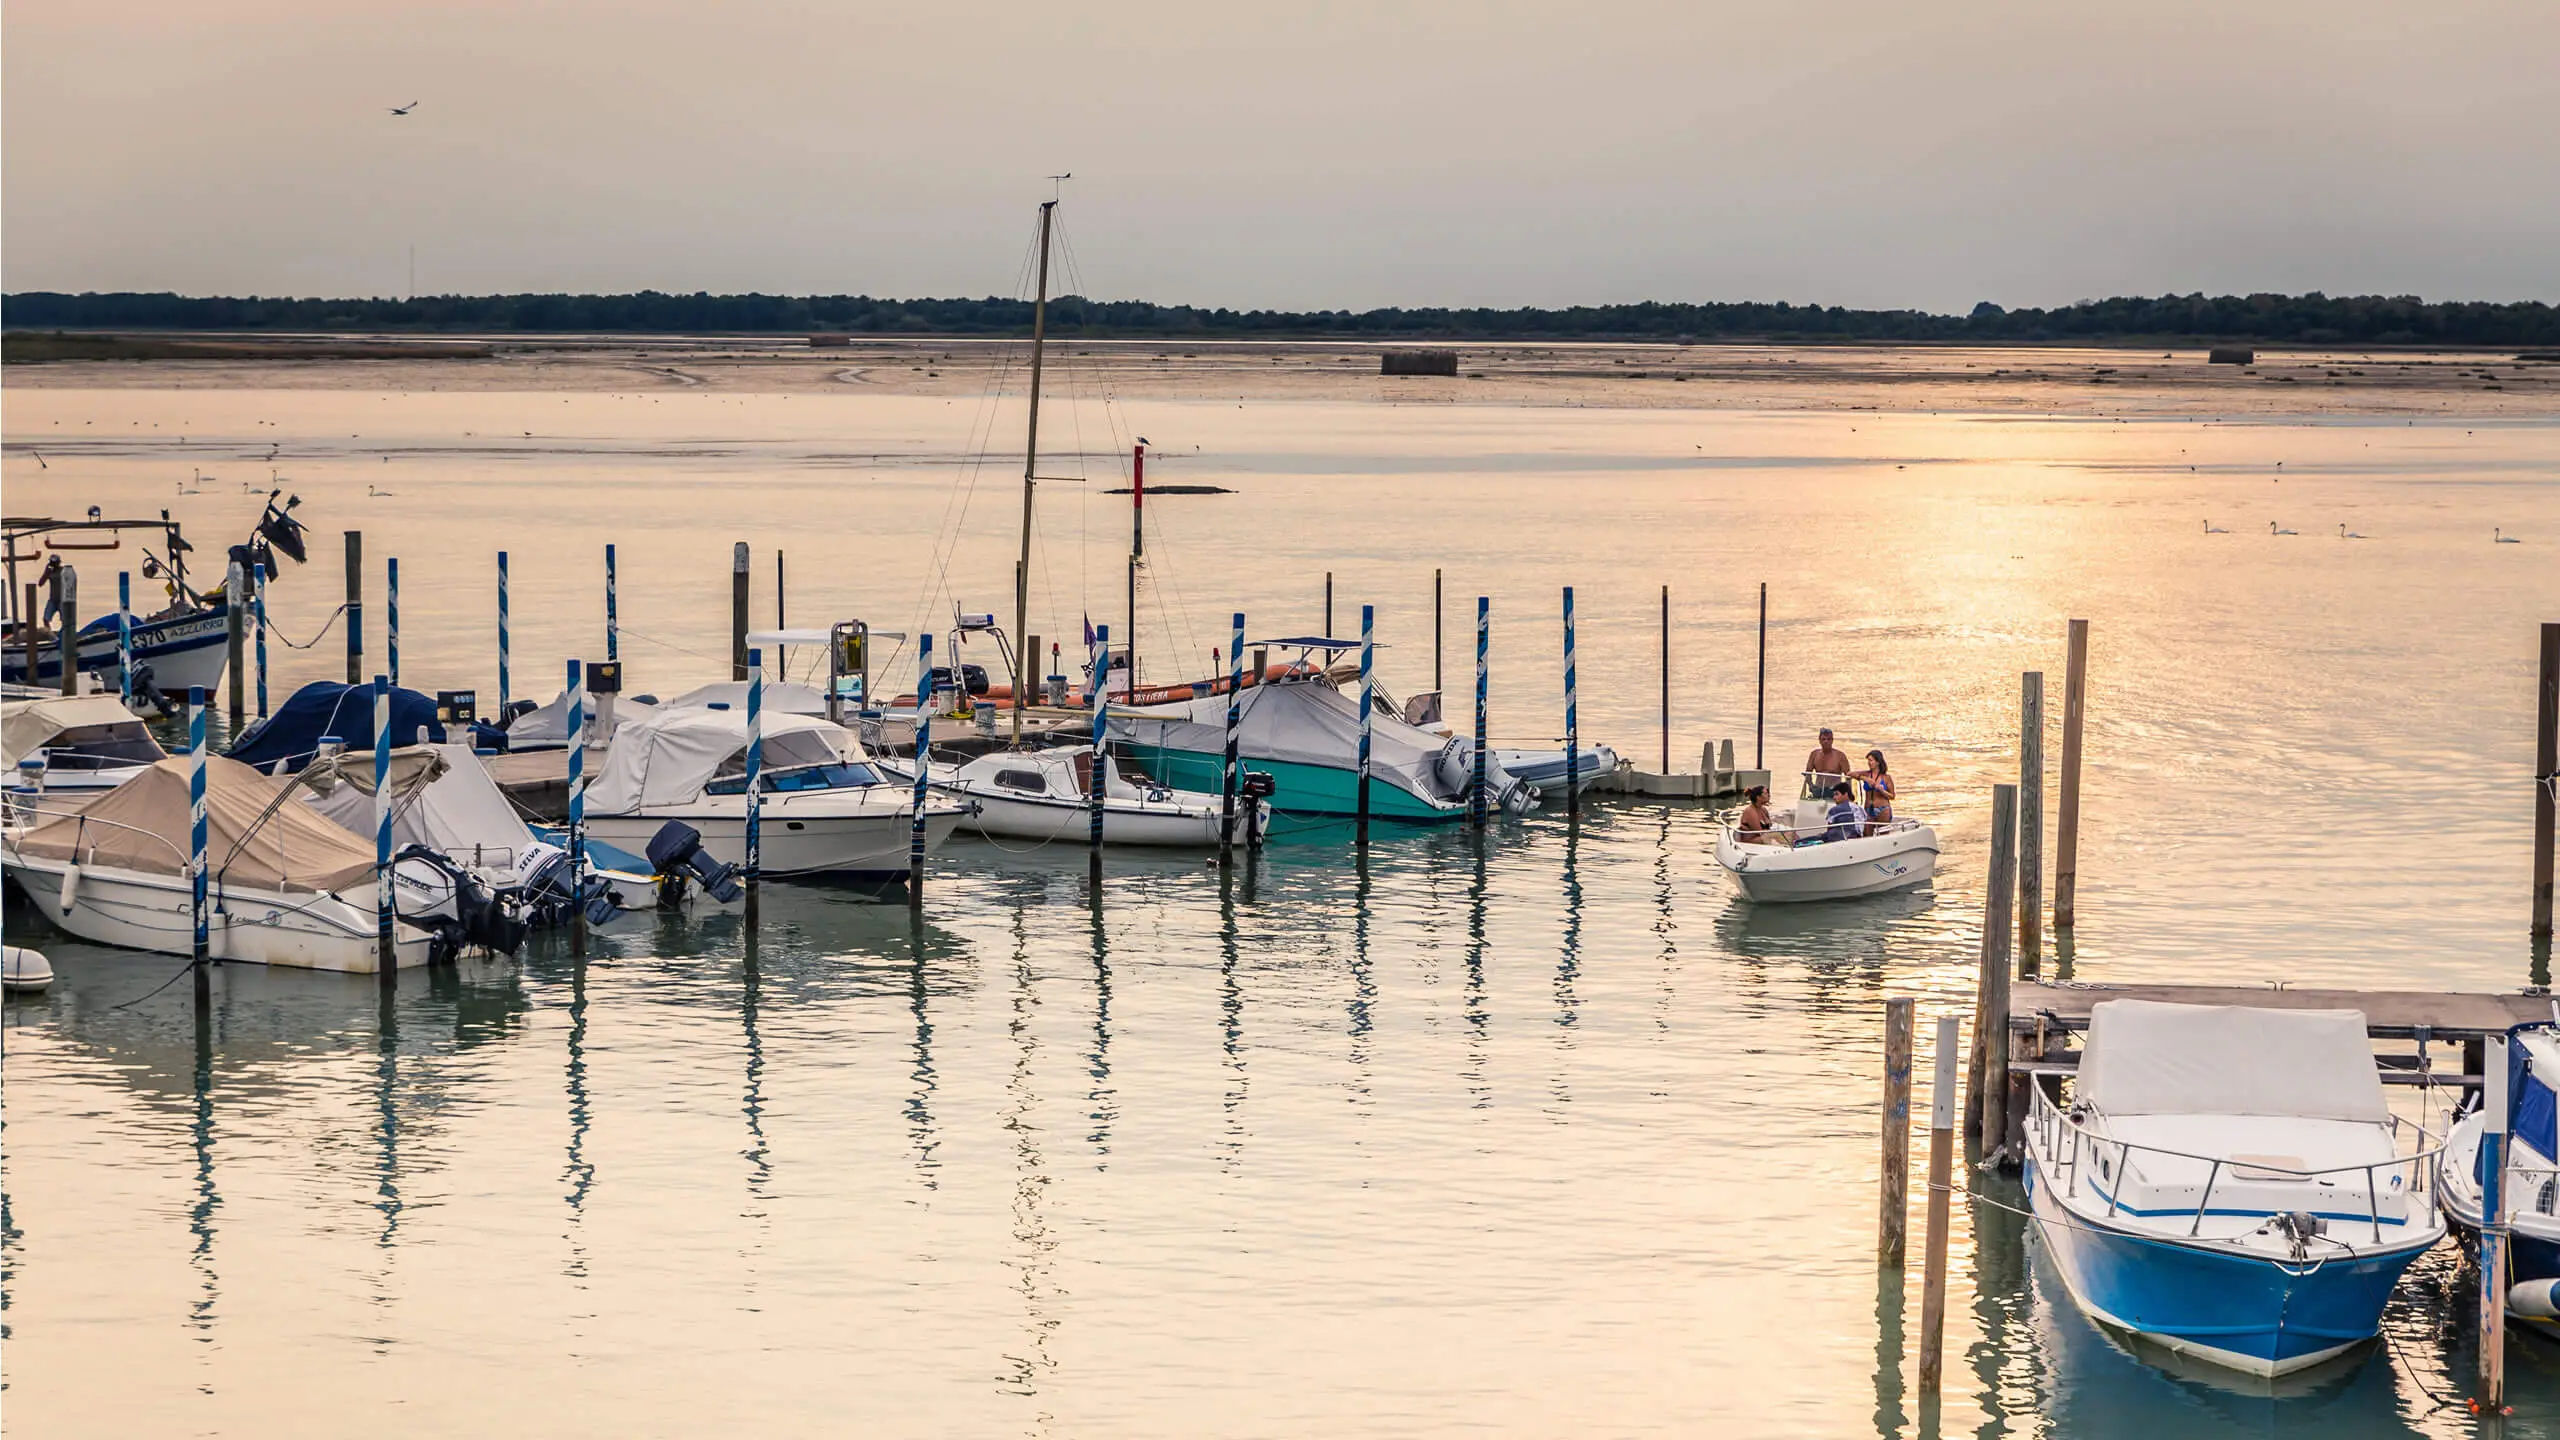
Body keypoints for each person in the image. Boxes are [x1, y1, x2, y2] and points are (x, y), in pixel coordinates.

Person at [1804, 728, 1853, 796]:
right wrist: (1811, 785)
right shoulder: (1814, 754)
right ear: (1820, 741)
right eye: (1823, 739)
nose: (1826, 741)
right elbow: (1807, 773)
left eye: (1829, 739)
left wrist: (1847, 793)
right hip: (1818, 790)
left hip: (1835, 791)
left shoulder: (1840, 756)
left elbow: (1848, 776)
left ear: (1832, 740)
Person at [1859, 749, 1895, 832]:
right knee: (1867, 835)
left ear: (1878, 762)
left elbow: (1892, 796)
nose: (1869, 763)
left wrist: (1882, 790)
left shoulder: (1886, 777)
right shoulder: (1866, 774)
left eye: (1871, 760)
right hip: (1868, 808)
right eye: (1868, 760)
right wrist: (1864, 779)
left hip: (1883, 808)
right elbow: (1850, 774)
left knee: (1883, 834)